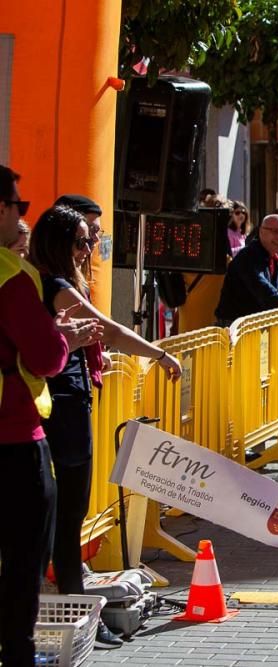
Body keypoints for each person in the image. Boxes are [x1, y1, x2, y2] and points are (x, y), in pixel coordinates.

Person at [29, 205, 183, 649]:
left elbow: (97, 337)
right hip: (63, 408)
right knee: (65, 519)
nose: (88, 249)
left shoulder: (48, 284)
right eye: (81, 241)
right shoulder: (55, 285)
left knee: (61, 519)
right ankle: (72, 620)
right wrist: (156, 353)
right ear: (58, 244)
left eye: (91, 240)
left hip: (63, 405)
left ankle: (66, 616)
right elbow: (110, 330)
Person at [0, 166, 98, 666]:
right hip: (15, 434)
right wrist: (67, 340)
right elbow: (44, 356)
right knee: (24, 557)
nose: (22, 215)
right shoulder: (14, 279)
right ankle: (17, 652)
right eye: (18, 207)